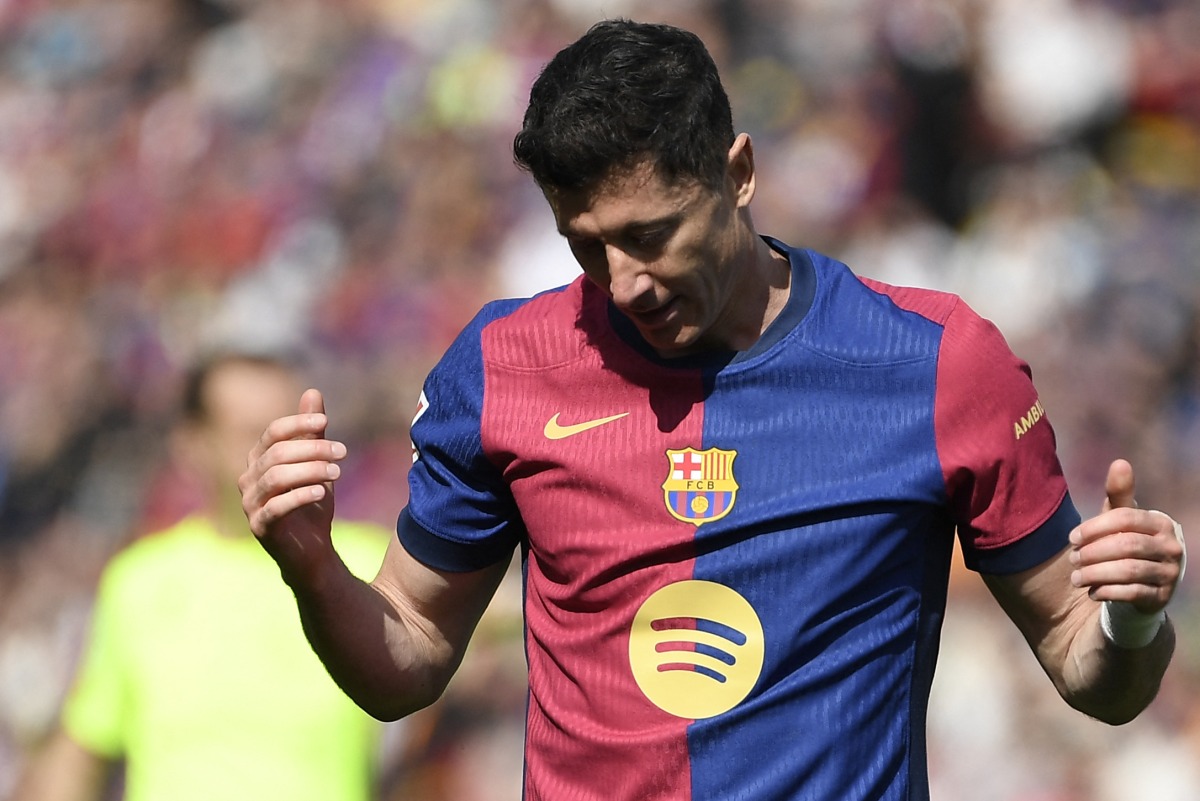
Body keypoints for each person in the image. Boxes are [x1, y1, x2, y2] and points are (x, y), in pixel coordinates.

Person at [237, 19, 1187, 801]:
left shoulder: (935, 364)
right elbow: (405, 655)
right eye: (587, 246)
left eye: (651, 235)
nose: (624, 281)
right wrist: (312, 565)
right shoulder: (502, 368)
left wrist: (1132, 619)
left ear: (738, 173)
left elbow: (1087, 666)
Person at [14, 352, 393, 801]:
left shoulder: (364, 565)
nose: (275, 453)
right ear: (192, 445)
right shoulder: (141, 580)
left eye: (289, 432)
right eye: (253, 434)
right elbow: (83, 745)